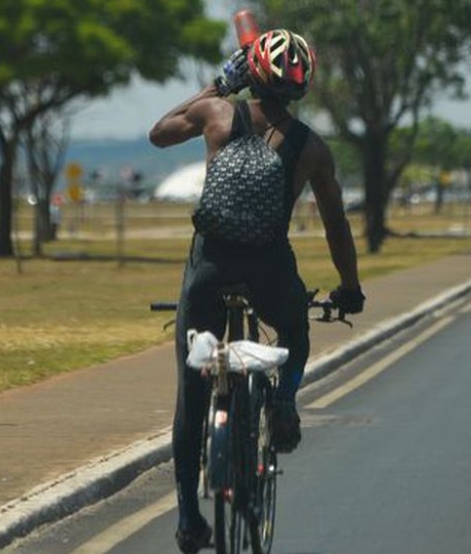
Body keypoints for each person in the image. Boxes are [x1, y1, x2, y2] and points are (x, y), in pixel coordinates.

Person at [149, 28, 365, 552]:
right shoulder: (312, 148)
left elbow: (159, 133)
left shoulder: (217, 115)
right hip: (270, 268)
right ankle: (284, 399)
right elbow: (337, 225)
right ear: (302, 86)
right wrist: (349, 288)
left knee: (192, 390)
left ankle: (187, 519)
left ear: (253, 75)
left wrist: (218, 85)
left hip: (210, 266)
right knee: (293, 328)